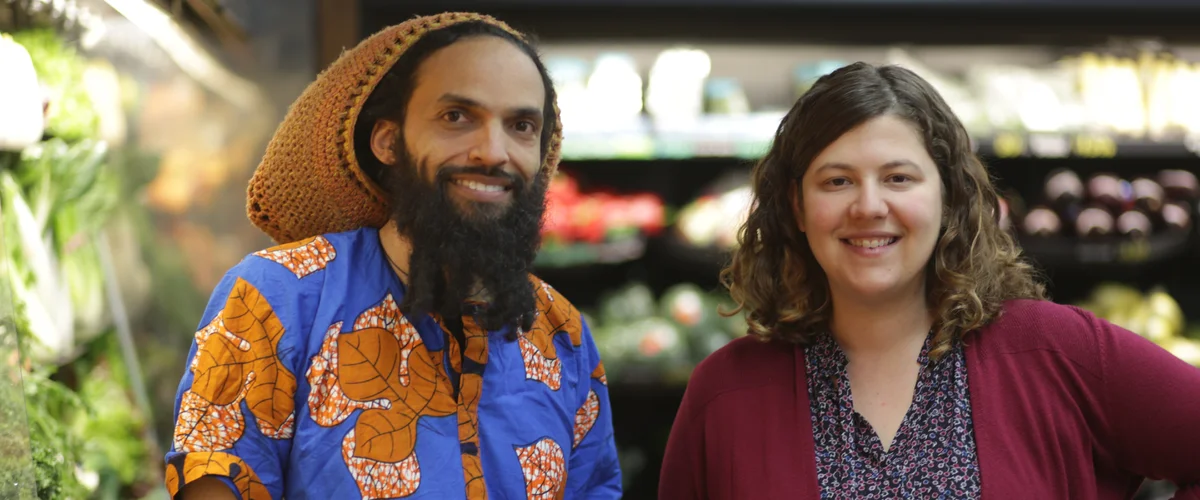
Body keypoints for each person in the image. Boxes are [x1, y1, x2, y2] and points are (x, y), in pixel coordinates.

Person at [658, 62, 1200, 499]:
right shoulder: (724, 396)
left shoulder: (1059, 352)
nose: (869, 206)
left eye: (898, 178)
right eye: (837, 180)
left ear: (948, 198)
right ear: (797, 206)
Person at [164, 12, 621, 500]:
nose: (493, 151)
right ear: (388, 141)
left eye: (521, 125)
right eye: (456, 117)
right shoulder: (277, 299)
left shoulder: (562, 334)